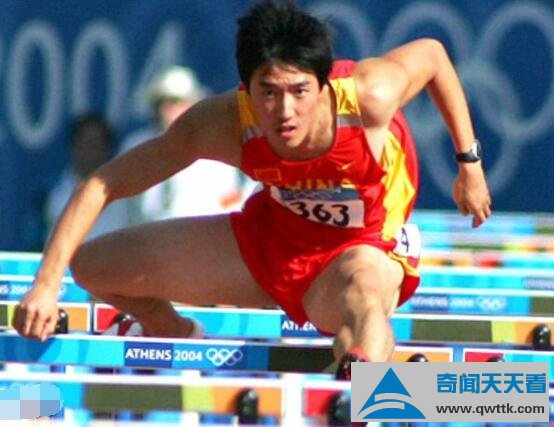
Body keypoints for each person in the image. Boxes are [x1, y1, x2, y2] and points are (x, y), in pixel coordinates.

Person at [13, 1, 491, 380]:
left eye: (299, 91)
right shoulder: (221, 123)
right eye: (268, 92)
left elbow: (433, 55)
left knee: (363, 304)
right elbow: (102, 183)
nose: (285, 111)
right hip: (270, 241)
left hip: (361, 248)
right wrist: (46, 285)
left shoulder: (369, 94)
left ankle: (364, 393)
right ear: (246, 89)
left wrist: (469, 164)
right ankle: (173, 330)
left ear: (324, 84)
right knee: (91, 266)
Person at [118, 66, 254, 225]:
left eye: (177, 101)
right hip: (152, 234)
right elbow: (126, 208)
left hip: (205, 234)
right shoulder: (136, 145)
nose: (168, 108)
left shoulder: (216, 146)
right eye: (161, 102)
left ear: (193, 104)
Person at [45, 113, 127, 241]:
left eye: (95, 145)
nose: (90, 152)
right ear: (73, 147)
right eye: (85, 144)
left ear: (106, 150)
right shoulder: (51, 194)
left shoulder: (123, 196)